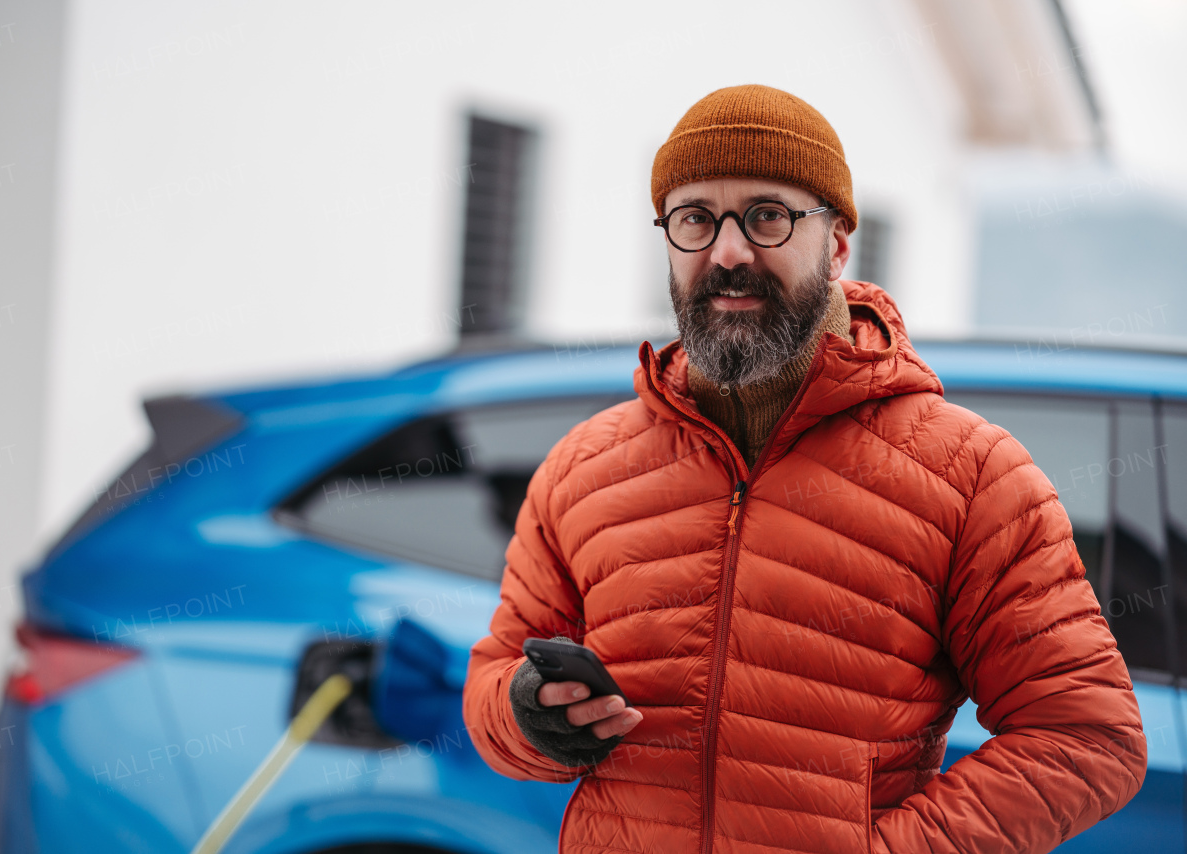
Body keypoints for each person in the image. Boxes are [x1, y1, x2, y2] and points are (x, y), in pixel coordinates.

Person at [461, 84, 1146, 854]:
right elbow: (492, 688)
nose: (727, 252)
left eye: (767, 216)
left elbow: (1086, 732)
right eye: (695, 219)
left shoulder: (971, 474)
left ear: (838, 242)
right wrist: (526, 713)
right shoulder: (583, 470)